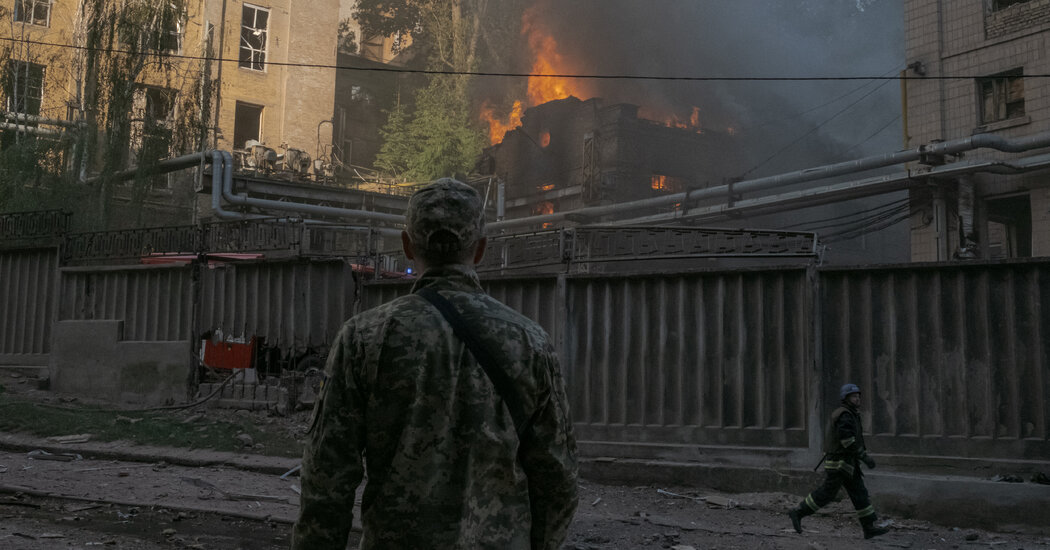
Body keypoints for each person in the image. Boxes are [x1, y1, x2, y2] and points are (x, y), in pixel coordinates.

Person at [292, 178, 579, 550]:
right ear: (480, 249)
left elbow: (326, 481)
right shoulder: (530, 342)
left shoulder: (364, 338)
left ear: (408, 245)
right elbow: (558, 479)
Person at [787, 383, 889, 540]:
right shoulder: (845, 415)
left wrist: (860, 457)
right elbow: (847, 440)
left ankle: (869, 528)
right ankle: (798, 512)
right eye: (854, 396)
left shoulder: (851, 413)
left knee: (860, 493)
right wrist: (864, 457)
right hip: (839, 464)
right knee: (827, 494)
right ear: (846, 398)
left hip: (849, 463)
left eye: (858, 396)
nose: (857, 399)